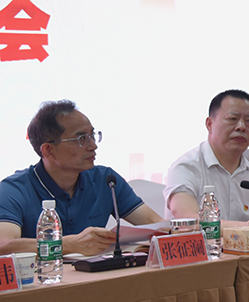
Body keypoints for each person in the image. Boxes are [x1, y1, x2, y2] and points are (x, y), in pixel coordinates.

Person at [0, 100, 163, 255]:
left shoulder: (106, 180)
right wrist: (69, 245)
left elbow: (157, 225)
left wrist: (174, 230)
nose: (93, 145)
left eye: (92, 135)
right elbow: (3, 245)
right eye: (81, 139)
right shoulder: (13, 190)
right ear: (49, 150)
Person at [164, 89, 249, 226]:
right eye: (232, 119)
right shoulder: (185, 168)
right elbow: (188, 219)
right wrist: (248, 228)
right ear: (209, 124)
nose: (241, 127)